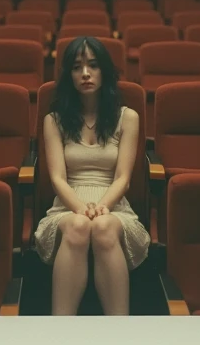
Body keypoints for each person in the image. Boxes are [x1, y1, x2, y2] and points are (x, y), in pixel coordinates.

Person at [34, 35, 150, 315]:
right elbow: (58, 178)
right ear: (69, 75)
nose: (85, 73)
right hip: (67, 207)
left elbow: (123, 177)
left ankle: (117, 331)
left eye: (93, 65)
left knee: (103, 226)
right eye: (77, 67)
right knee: (78, 226)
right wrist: (80, 209)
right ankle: (62, 330)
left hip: (114, 207)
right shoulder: (55, 120)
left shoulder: (128, 117)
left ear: (105, 71)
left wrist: (102, 208)